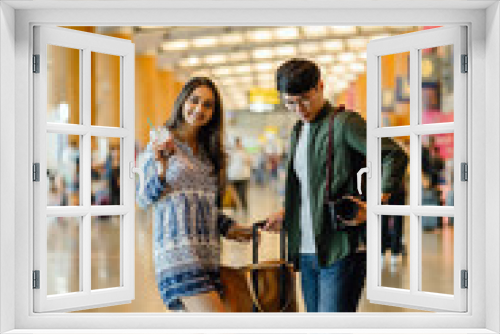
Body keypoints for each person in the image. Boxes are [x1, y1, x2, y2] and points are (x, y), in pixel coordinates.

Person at [264, 59, 408, 312]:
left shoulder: (344, 123)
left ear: (320, 86)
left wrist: (375, 202)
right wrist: (287, 213)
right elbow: (308, 186)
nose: (299, 109)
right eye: (290, 103)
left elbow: (393, 155)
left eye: (305, 99)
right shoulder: (298, 131)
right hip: (307, 250)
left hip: (341, 248)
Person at [136, 77, 253, 312]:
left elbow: (206, 206)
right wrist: (161, 170)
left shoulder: (210, 153)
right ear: (183, 102)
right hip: (177, 256)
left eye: (208, 105)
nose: (199, 109)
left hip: (208, 256)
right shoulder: (161, 144)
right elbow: (142, 198)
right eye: (194, 100)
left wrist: (231, 228)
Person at [227, 137, 252, 213]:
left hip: (243, 176)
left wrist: (245, 155)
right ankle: (235, 208)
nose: (238, 144)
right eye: (237, 143)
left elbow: (249, 162)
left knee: (242, 193)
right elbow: (227, 162)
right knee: (233, 194)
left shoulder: (245, 152)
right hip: (232, 176)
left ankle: (245, 209)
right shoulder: (231, 153)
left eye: (239, 143)